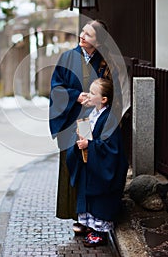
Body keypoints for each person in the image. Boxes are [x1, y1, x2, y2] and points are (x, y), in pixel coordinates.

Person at [49, 19, 122, 234]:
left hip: (96, 120)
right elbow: (56, 89)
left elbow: (112, 92)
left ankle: (92, 216)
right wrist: (75, 96)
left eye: (88, 34)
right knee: (74, 164)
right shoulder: (67, 57)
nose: (82, 36)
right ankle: (77, 215)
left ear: (98, 41)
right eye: (82, 31)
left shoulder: (106, 63)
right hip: (74, 120)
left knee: (90, 165)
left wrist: (97, 102)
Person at [66, 78, 128, 246]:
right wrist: (81, 141)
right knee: (87, 191)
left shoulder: (110, 118)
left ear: (104, 99)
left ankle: (100, 231)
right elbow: (85, 132)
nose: (88, 94)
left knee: (100, 196)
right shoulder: (91, 113)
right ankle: (88, 224)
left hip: (102, 164)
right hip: (91, 163)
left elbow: (111, 148)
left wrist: (90, 145)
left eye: (93, 92)